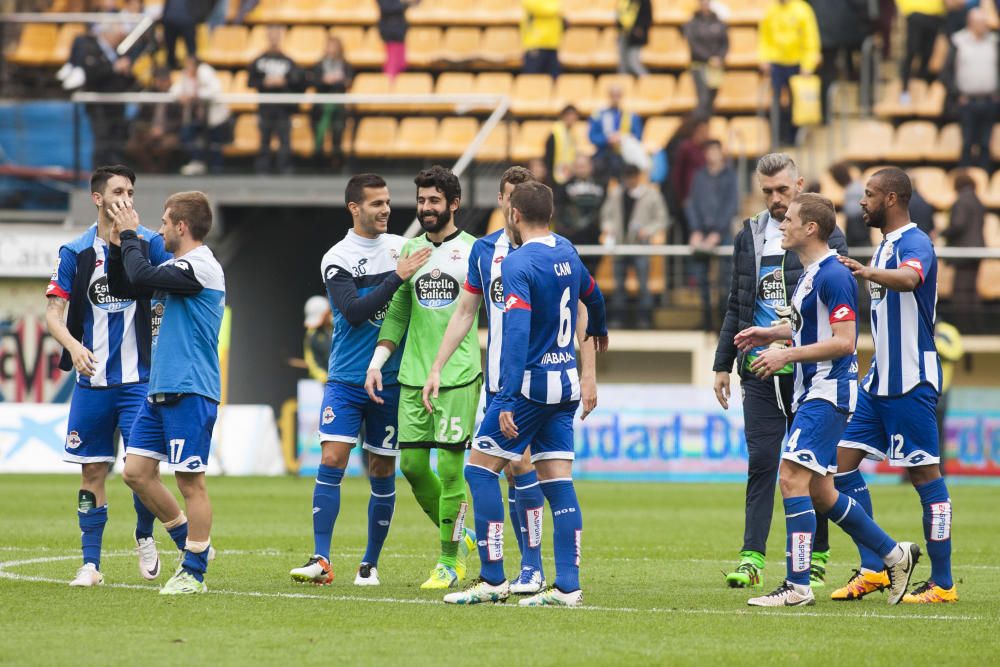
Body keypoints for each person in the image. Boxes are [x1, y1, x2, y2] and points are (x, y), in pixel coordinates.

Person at [736, 193, 921, 608]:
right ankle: (895, 554)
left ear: (811, 228)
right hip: (812, 393)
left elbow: (843, 342)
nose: (782, 225)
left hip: (828, 393)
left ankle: (798, 585)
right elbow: (812, 329)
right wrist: (772, 335)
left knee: (789, 477)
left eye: (790, 220)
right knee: (821, 492)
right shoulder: (809, 274)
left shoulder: (833, 275)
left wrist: (785, 355)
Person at [422, 166, 599, 595]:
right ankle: (562, 584)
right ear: (504, 202)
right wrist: (437, 366)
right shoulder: (486, 252)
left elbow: (576, 310)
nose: (512, 201)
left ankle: (515, 572)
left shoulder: (529, 258)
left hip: (519, 384)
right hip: (539, 380)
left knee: (492, 469)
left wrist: (590, 370)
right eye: (509, 193)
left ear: (519, 210)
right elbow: (465, 312)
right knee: (547, 475)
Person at [288, 174, 431, 587]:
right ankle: (321, 558)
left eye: (387, 202)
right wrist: (397, 276)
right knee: (332, 458)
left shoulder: (402, 249)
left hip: (391, 380)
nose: (385, 209)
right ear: (355, 208)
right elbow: (352, 310)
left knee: (382, 468)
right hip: (347, 378)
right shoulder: (337, 257)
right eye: (376, 204)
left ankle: (369, 563)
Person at [713, 153, 848, 590]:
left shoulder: (823, 235)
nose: (774, 199)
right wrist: (722, 364)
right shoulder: (749, 234)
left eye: (782, 191)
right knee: (763, 461)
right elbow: (738, 300)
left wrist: (789, 347)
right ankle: (752, 557)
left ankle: (819, 554)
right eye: (767, 191)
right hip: (758, 370)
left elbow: (835, 313)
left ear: (800, 185)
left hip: (806, 371)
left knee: (812, 468)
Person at [831, 167, 956, 604]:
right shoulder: (884, 245)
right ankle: (877, 565)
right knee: (837, 465)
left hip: (910, 381)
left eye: (868, 195)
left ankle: (943, 583)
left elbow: (911, 278)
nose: (861, 202)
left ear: (890, 199)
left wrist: (866, 273)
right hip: (879, 380)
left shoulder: (914, 242)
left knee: (926, 476)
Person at [45, 165, 171, 588]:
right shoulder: (75, 251)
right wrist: (73, 345)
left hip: (141, 381)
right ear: (97, 198)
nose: (127, 199)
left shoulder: (151, 243)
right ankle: (91, 564)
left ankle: (144, 536)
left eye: (131, 191)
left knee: (142, 471)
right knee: (91, 473)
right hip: (92, 383)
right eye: (118, 191)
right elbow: (53, 314)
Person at [364, 166, 480, 590]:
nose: (426, 207)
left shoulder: (474, 251)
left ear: (453, 204)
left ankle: (449, 562)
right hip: (412, 376)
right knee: (412, 467)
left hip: (457, 377)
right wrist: (378, 361)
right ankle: (463, 532)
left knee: (451, 471)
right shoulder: (411, 249)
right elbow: (398, 312)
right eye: (421, 200)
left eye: (434, 200)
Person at [106, 190, 224, 595]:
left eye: (163, 221)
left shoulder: (202, 267)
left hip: (191, 387)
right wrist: (116, 239)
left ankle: (194, 572)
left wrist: (130, 235)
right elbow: (124, 283)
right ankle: (190, 541)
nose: (158, 228)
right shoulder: (175, 267)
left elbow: (140, 275)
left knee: (191, 482)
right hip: (161, 388)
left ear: (181, 226)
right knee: (135, 473)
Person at [601, 164, 668, 329]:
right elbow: (606, 215)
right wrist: (608, 227)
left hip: (640, 245)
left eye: (632, 176)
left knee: (644, 283)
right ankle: (618, 318)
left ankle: (644, 319)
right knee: (619, 284)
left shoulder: (651, 195)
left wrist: (648, 230)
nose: (629, 180)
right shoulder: (616, 194)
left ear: (638, 176)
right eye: (626, 176)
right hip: (620, 244)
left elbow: (662, 218)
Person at [686, 139, 739, 331]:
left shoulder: (730, 176)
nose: (711, 154)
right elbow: (692, 204)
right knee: (701, 278)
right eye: (708, 151)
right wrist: (697, 230)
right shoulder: (699, 176)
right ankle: (706, 321)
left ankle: (723, 324)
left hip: (722, 233)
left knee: (726, 279)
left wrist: (717, 232)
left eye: (714, 150)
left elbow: (731, 205)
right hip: (702, 232)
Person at [940, 8, 999, 170]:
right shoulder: (959, 41)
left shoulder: (994, 41)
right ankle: (965, 180)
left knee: (986, 144)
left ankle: (984, 178)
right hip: (966, 101)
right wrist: (956, 94)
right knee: (966, 144)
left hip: (990, 101)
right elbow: (946, 73)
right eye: (979, 22)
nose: (983, 26)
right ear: (971, 23)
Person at [758, 0, 821, 144]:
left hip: (796, 63)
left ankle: (794, 137)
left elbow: (811, 39)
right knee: (776, 101)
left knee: (797, 103)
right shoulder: (771, 10)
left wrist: (808, 65)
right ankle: (777, 136)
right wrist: (764, 58)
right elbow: (764, 37)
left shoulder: (803, 9)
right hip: (776, 63)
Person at [248, 26, 301, 174]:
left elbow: (298, 81)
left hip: (283, 108)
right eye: (271, 35)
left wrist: (284, 82)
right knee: (264, 140)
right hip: (265, 107)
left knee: (284, 141)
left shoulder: (288, 60)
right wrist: (264, 83)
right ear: (267, 36)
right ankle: (262, 171)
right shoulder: (259, 60)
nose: (274, 38)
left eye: (277, 35)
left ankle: (285, 170)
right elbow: (250, 81)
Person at [942, 169, 985, 329]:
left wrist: (943, 232)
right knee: (971, 290)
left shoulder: (961, 201)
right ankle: (975, 325)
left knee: (961, 291)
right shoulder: (977, 200)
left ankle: (963, 326)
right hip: (977, 250)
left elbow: (958, 224)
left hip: (964, 251)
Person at [173, 55, 231, 175]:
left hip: (215, 118)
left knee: (215, 144)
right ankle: (197, 162)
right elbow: (174, 90)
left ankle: (217, 170)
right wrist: (181, 96)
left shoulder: (206, 72)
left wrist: (195, 95)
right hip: (197, 117)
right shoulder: (186, 74)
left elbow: (215, 91)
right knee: (187, 136)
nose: (187, 67)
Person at [125, 67, 183, 173]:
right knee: (132, 146)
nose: (163, 83)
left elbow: (178, 121)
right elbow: (140, 119)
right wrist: (150, 130)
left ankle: (160, 170)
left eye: (165, 80)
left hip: (167, 133)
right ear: (155, 81)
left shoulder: (175, 98)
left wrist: (163, 130)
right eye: (160, 80)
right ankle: (151, 169)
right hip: (148, 132)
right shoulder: (148, 96)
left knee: (168, 144)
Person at [555, 155, 606, 276]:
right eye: (578, 167)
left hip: (594, 239)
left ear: (591, 167)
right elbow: (559, 212)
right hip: (572, 240)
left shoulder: (602, 185)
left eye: (584, 166)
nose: (581, 169)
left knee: (591, 278)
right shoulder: (564, 187)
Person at [310, 35, 354, 170]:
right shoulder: (319, 65)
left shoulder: (345, 65)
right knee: (319, 135)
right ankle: (318, 165)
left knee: (337, 134)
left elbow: (348, 81)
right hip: (321, 106)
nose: (331, 49)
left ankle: (337, 165)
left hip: (338, 104)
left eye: (334, 46)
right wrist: (324, 80)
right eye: (329, 46)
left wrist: (339, 80)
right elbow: (313, 81)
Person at [588, 83, 644, 182]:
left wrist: (623, 138)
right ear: (609, 96)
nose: (615, 98)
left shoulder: (631, 116)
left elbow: (638, 136)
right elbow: (592, 136)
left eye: (618, 95)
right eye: (613, 95)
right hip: (603, 154)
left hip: (624, 155)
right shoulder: (599, 115)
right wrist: (607, 139)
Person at [684, 0, 729, 114]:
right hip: (700, 65)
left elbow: (725, 43)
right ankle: (700, 125)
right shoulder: (693, 23)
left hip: (715, 67)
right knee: (703, 99)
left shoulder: (718, 22)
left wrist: (720, 57)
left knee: (711, 100)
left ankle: (706, 126)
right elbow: (693, 45)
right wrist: (709, 58)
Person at [897, 0, 946, 103]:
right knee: (912, 52)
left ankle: (922, 88)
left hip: (935, 15)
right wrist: (907, 8)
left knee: (928, 55)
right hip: (915, 13)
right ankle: (905, 90)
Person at [934, 320, 963, 473]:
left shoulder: (947, 330)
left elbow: (955, 353)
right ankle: (909, 472)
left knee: (937, 432)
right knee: (912, 432)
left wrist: (934, 340)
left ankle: (940, 469)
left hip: (940, 390)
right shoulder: (914, 324)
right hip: (914, 390)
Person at [521, 0, 563, 78]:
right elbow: (538, 8)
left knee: (553, 81)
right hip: (535, 45)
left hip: (552, 44)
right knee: (532, 80)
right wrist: (557, 8)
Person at [378, 0, 418, 80]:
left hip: (399, 29)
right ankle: (390, 85)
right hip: (391, 30)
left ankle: (397, 85)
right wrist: (405, 3)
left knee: (401, 63)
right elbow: (386, 7)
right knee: (392, 63)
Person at [544, 105, 580, 187]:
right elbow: (549, 155)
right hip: (556, 172)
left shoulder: (571, 133)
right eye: (570, 115)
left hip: (568, 171)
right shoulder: (555, 133)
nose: (572, 119)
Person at [617, 0, 652, 76]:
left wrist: (639, 29)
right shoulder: (625, 1)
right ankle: (625, 84)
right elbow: (620, 16)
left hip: (636, 38)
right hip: (624, 34)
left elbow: (648, 18)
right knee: (623, 66)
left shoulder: (644, 2)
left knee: (633, 62)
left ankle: (648, 81)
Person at [303, 295, 332, 384]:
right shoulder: (311, 335)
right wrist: (325, 378)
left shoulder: (339, 326)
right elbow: (311, 362)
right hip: (328, 383)